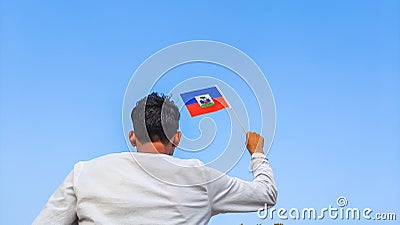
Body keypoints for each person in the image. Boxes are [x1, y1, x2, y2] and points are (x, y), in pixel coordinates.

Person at [33, 92, 277, 224]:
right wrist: (257, 153)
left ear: (132, 136)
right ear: (177, 138)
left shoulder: (84, 173)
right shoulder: (200, 177)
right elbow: (266, 194)